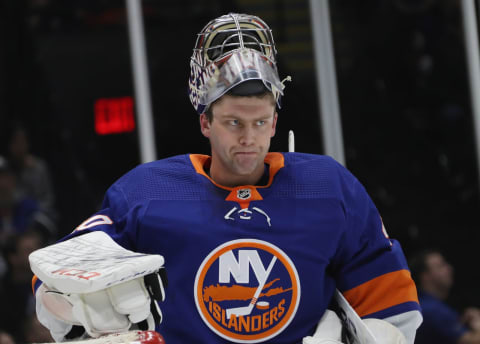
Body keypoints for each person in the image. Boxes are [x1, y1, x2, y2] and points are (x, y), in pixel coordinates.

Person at [30, 13, 422, 343]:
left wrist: (378, 334)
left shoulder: (330, 188)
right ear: (206, 121)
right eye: (233, 122)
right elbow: (60, 272)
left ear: (275, 123)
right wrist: (69, 308)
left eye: (260, 122)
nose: (248, 138)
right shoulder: (145, 192)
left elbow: (390, 300)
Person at [410, 249, 480, 344]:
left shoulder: (424, 303)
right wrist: (478, 323)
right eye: (440, 266)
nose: (449, 268)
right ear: (425, 276)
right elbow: (473, 342)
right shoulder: (432, 310)